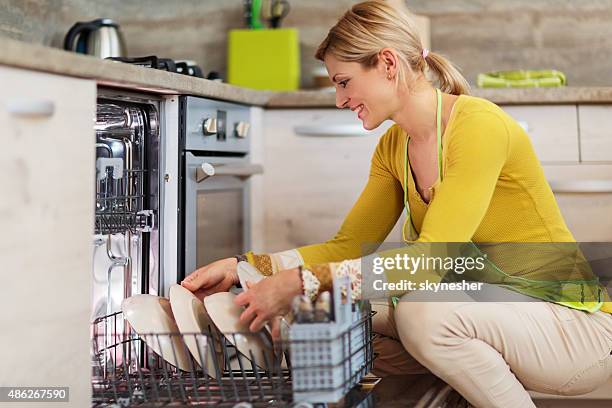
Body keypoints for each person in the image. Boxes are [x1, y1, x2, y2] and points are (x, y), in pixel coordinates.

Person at [182, 1, 612, 406]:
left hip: (573, 331)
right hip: (493, 313)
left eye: (344, 82)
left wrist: (301, 281)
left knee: (421, 311)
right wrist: (247, 267)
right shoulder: (394, 145)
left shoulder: (477, 126)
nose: (339, 100)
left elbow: (429, 262)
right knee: (328, 309)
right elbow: (348, 245)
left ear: (387, 64)